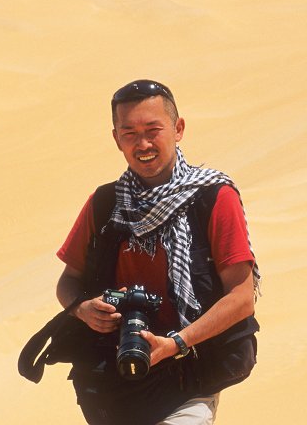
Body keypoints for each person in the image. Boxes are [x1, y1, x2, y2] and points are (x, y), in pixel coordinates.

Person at [56, 80, 260, 425]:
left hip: (189, 376)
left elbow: (242, 298)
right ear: (116, 139)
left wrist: (176, 343)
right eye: (130, 133)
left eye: (153, 130)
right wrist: (82, 308)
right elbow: (68, 281)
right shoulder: (104, 203)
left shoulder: (213, 197)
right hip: (113, 386)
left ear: (178, 129)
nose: (143, 144)